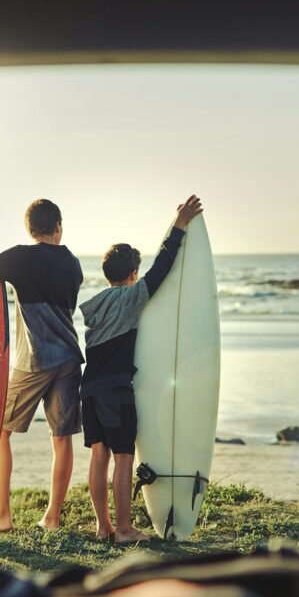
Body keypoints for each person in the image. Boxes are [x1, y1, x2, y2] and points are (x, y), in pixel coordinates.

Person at [0, 195, 84, 532]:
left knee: (0, 433)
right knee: (61, 438)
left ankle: (2, 514)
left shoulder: (22, 258)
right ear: (58, 228)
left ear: (29, 229)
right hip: (68, 357)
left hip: (34, 359)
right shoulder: (73, 264)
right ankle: (52, 518)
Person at [79, 194, 203, 544]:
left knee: (98, 456)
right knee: (123, 458)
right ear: (132, 275)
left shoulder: (98, 304)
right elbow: (162, 268)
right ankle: (123, 530)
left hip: (89, 390)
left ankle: (102, 526)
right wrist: (178, 227)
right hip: (116, 391)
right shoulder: (132, 296)